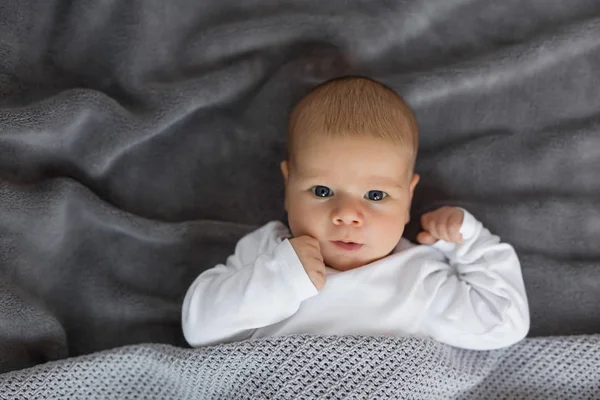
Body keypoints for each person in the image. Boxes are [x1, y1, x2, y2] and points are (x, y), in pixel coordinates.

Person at [182, 76, 529, 350]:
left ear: (408, 199)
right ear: (288, 188)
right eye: (322, 191)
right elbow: (199, 329)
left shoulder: (419, 278)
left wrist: (468, 244)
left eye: (375, 195)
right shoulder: (268, 253)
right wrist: (277, 278)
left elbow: (505, 323)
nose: (347, 215)